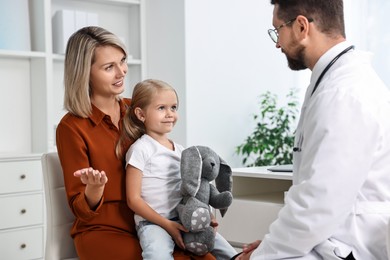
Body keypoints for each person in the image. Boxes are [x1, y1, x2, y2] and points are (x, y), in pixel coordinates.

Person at [236, 0, 390, 259]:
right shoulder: (336, 80)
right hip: (331, 238)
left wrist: (265, 253)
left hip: (349, 246)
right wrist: (270, 245)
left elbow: (319, 204)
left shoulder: (344, 93)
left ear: (301, 26)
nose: (277, 43)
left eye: (278, 30)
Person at [56, 26, 217, 260]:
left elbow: (168, 167)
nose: (121, 72)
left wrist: (195, 210)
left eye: (122, 61)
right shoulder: (71, 128)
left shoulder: (138, 110)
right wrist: (95, 189)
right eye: (108, 67)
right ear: (84, 73)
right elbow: (80, 209)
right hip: (104, 231)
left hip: (155, 219)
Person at [116, 79, 238, 260]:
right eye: (161, 108)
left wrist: (207, 215)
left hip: (185, 218)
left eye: (173, 107)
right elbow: (133, 199)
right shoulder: (141, 149)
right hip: (153, 223)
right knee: (156, 254)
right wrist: (166, 224)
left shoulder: (182, 151)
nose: (169, 114)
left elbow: (194, 190)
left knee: (228, 251)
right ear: (141, 114)